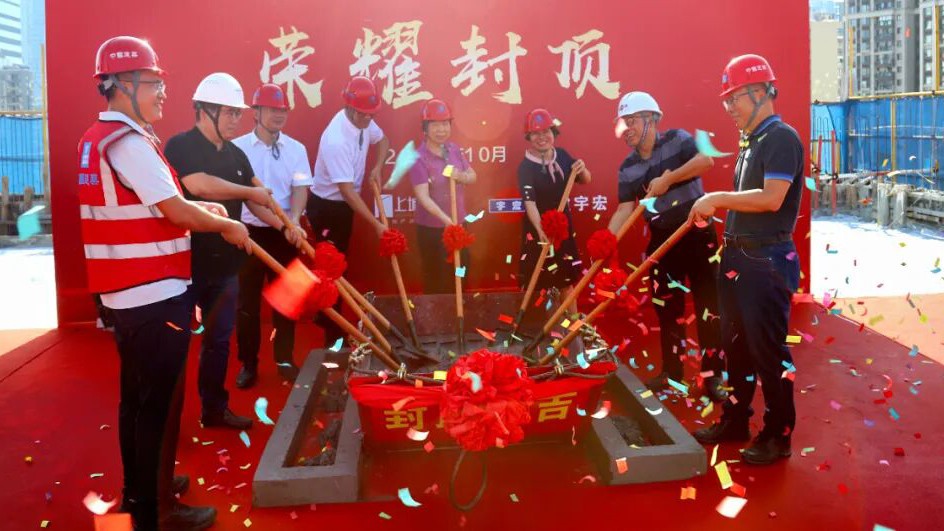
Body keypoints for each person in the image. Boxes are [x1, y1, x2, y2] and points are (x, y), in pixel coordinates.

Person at [80, 36, 250, 530]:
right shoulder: (130, 143)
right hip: (153, 296)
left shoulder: (101, 138)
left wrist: (206, 208)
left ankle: (142, 489)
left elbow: (158, 203)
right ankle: (156, 511)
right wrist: (225, 226)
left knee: (137, 402)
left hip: (128, 294)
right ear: (122, 84)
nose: (161, 93)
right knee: (158, 407)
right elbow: (175, 211)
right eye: (153, 83)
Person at [688, 54, 804, 466]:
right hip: (738, 256)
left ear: (760, 92)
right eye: (726, 100)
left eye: (734, 98)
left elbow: (772, 199)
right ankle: (736, 419)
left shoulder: (781, 138)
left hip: (765, 261)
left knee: (769, 352)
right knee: (734, 348)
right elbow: (748, 202)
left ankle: (778, 434)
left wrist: (716, 198)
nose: (729, 108)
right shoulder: (752, 142)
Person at [164, 73, 291, 430]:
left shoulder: (237, 154)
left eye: (239, 113)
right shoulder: (181, 146)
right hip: (184, 266)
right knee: (173, 346)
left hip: (224, 268)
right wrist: (250, 192)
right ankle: (167, 424)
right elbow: (199, 185)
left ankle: (214, 410)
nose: (237, 120)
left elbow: (258, 198)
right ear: (205, 110)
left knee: (218, 343)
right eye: (230, 112)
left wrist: (285, 226)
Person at [607, 91, 726, 401]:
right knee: (667, 309)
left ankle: (713, 376)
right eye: (623, 123)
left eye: (632, 121)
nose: (626, 129)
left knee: (709, 307)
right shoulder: (627, 167)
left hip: (697, 232)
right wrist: (606, 241)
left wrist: (668, 179)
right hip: (662, 240)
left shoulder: (678, 139)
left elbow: (705, 161)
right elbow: (624, 209)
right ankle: (672, 374)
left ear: (651, 119)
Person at [232, 84, 311, 388]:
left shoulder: (296, 149)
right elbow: (248, 198)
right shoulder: (238, 149)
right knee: (247, 305)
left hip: (287, 236)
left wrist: (294, 221)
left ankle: (285, 360)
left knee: (288, 302)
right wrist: (284, 225)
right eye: (272, 109)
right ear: (256, 112)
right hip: (249, 233)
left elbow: (301, 187)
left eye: (282, 110)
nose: (278, 115)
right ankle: (248, 364)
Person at [307, 76, 389, 346]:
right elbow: (347, 191)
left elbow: (383, 140)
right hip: (326, 208)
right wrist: (376, 224)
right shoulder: (336, 139)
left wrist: (377, 167)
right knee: (332, 269)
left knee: (339, 265)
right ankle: (333, 334)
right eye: (364, 114)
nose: (368, 119)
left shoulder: (364, 120)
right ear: (351, 109)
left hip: (344, 207)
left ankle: (326, 316)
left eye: (372, 114)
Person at [517, 109, 590, 316]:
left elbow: (586, 180)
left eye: (546, 132)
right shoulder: (525, 168)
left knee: (566, 281)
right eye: (536, 133)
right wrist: (541, 231)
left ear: (553, 133)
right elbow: (530, 203)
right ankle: (543, 327)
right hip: (538, 232)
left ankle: (572, 327)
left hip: (563, 231)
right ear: (529, 137)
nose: (542, 137)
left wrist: (582, 169)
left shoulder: (563, 156)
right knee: (539, 283)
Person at [409, 98, 477, 293]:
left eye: (445, 124)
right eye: (435, 125)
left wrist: (460, 176)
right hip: (433, 231)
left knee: (461, 273)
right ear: (425, 128)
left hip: (459, 225)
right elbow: (423, 197)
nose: (441, 130)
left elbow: (472, 176)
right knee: (437, 280)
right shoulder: (418, 158)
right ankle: (436, 314)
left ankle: (460, 310)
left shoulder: (454, 150)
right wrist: (447, 221)